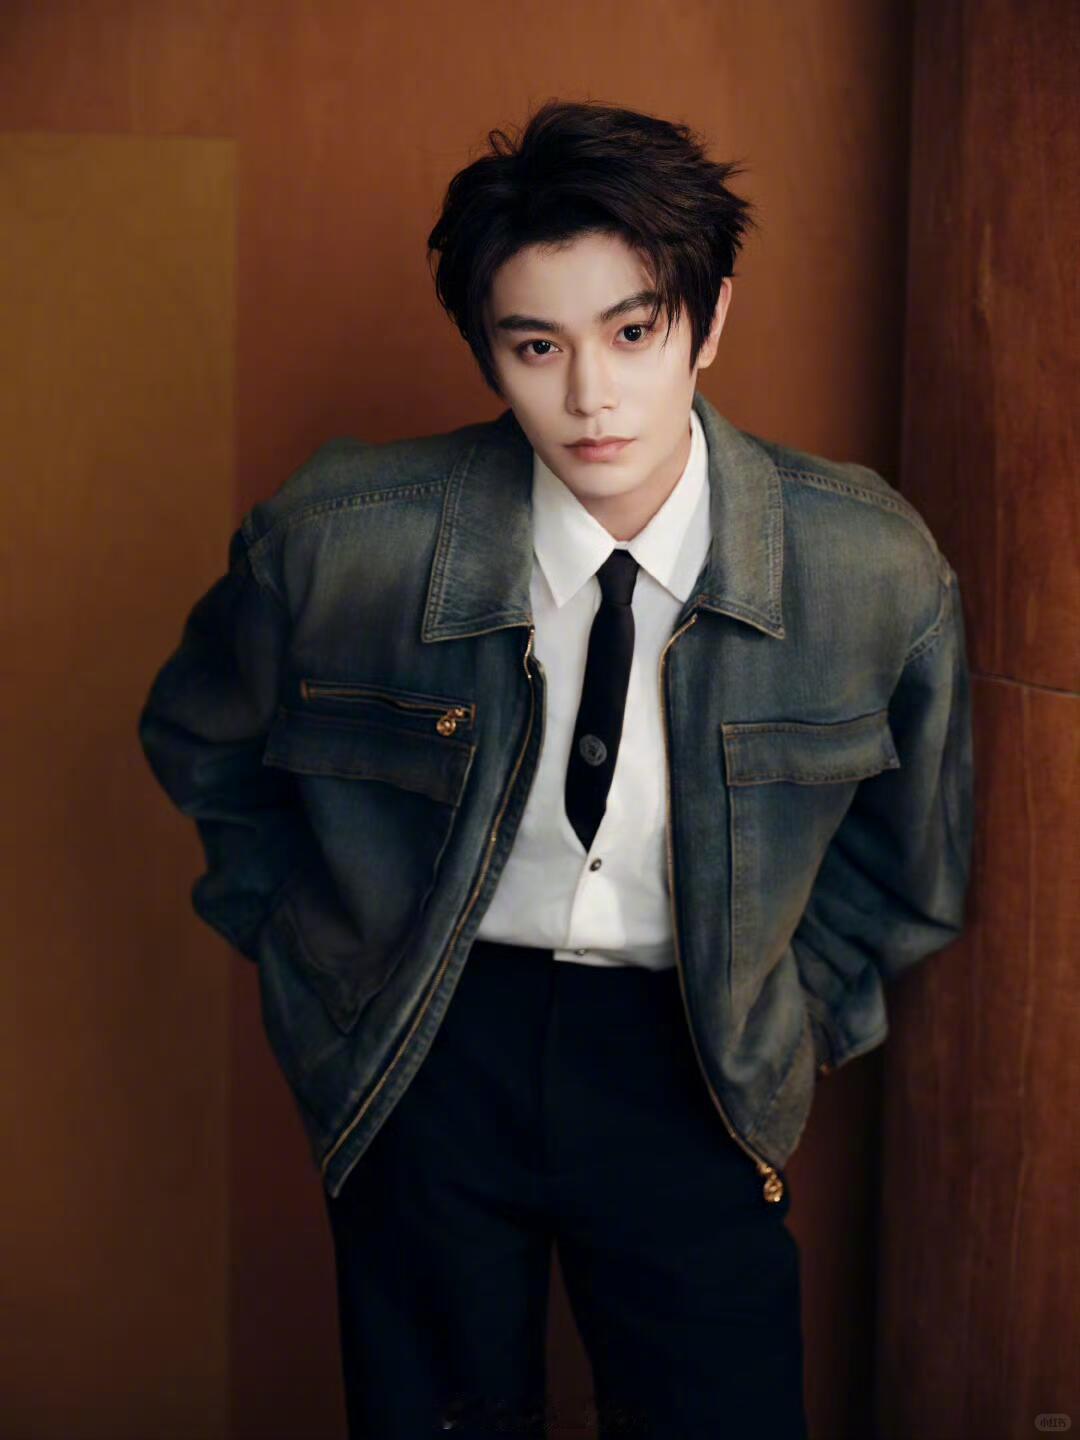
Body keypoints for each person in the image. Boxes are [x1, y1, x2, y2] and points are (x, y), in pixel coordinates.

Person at [138, 98, 974, 1439]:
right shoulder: (341, 540)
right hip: (430, 1037)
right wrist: (322, 961)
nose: (591, 397)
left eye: (633, 332)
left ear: (710, 320)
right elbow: (203, 742)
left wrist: (789, 1017)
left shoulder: (869, 566)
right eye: (537, 346)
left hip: (697, 1052)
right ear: (488, 350)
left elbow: (911, 860)